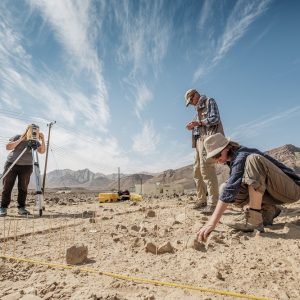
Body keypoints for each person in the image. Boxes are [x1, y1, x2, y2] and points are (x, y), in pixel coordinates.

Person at [197, 133, 300, 242]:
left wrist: (212, 222)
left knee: (253, 159)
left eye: (217, 155)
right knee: (224, 187)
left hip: (293, 190)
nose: (216, 160)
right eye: (213, 157)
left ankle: (254, 221)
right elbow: (232, 187)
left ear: (226, 148)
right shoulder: (232, 160)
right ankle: (268, 210)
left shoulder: (242, 154)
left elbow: (231, 189)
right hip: (275, 193)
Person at [185, 89, 224, 214]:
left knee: (206, 169)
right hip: (198, 142)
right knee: (197, 171)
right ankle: (201, 200)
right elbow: (198, 126)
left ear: (195, 95)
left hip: (208, 139)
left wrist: (199, 123)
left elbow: (215, 118)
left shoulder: (209, 101)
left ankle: (213, 204)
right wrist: (192, 126)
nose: (191, 104)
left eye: (191, 101)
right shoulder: (197, 110)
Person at [0, 127, 46, 217]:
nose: (33, 132)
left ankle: (21, 208)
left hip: (26, 166)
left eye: (35, 131)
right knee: (7, 186)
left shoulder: (35, 141)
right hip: (12, 164)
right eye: (32, 130)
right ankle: (3, 207)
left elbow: (42, 151)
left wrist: (43, 139)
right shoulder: (18, 136)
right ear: (27, 130)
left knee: (23, 188)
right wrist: (22, 138)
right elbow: (8, 147)